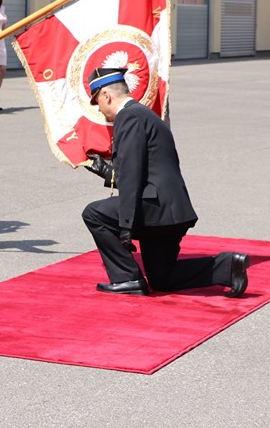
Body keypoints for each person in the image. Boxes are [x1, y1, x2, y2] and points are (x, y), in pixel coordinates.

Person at [81, 68, 249, 296]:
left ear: (106, 96)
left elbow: (131, 176)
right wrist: (104, 170)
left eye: (97, 102)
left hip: (156, 208)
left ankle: (127, 279)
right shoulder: (142, 114)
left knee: (93, 213)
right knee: (163, 278)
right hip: (171, 212)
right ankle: (228, 267)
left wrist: (126, 227)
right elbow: (140, 170)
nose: (99, 110)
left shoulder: (128, 117)